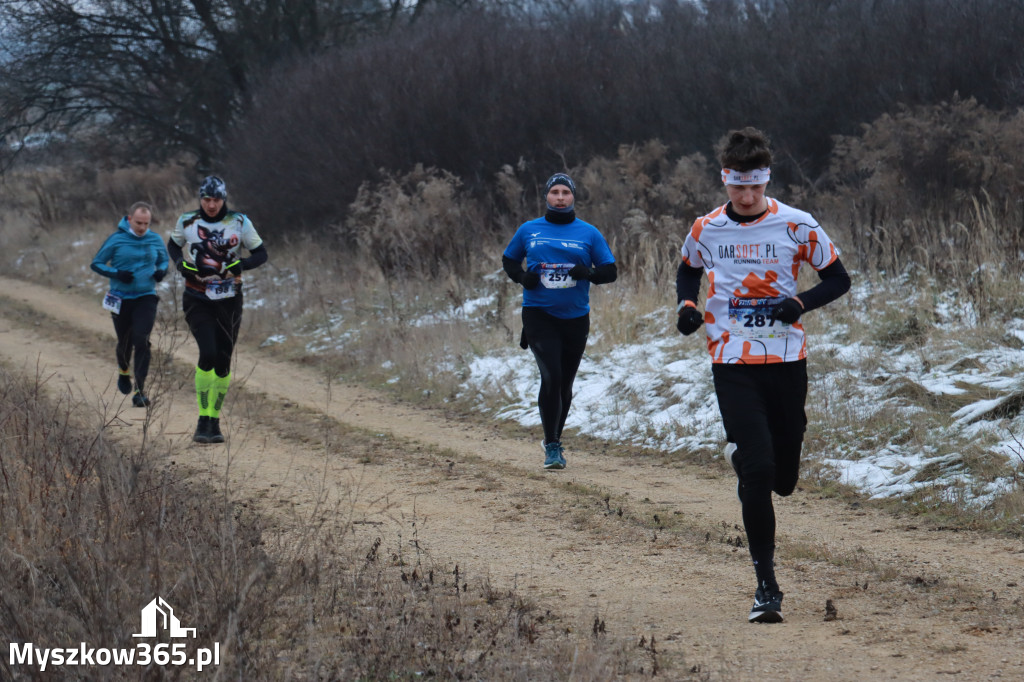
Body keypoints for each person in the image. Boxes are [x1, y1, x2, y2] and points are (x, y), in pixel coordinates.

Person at [675, 127, 851, 623]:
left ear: (766, 180)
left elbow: (839, 278)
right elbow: (687, 270)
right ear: (725, 181)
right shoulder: (707, 228)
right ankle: (766, 588)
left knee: (785, 479)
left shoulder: (797, 225)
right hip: (731, 362)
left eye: (755, 186)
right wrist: (688, 305)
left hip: (786, 361)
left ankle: (755, 462)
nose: (747, 197)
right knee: (756, 471)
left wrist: (799, 303)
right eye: (738, 187)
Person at [502, 172, 617, 470]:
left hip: (576, 318)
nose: (561, 197)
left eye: (566, 192)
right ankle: (552, 445)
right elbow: (509, 260)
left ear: (573, 196)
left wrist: (588, 273)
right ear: (546, 197)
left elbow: (610, 271)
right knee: (551, 375)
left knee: (564, 382)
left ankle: (555, 438)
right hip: (539, 314)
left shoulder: (589, 233)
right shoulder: (529, 230)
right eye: (555, 192)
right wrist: (522, 278)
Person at [167, 176, 267, 444]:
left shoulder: (240, 221)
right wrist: (181, 265)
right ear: (201, 199)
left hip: (229, 298)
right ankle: (202, 418)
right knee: (208, 352)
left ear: (224, 199)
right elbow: (173, 246)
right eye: (207, 199)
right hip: (196, 297)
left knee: (223, 359)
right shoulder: (187, 221)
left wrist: (240, 266)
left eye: (216, 200)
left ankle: (215, 420)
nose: (211, 205)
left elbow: (261, 254)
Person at [90, 201, 169, 408]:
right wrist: (117, 274)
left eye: (146, 223)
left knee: (141, 340)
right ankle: (124, 371)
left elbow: (163, 260)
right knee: (124, 342)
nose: (142, 227)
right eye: (138, 223)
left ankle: (140, 391)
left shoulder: (154, 239)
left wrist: (161, 271)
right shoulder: (116, 240)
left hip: (146, 296)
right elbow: (96, 263)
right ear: (129, 219)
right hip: (121, 298)